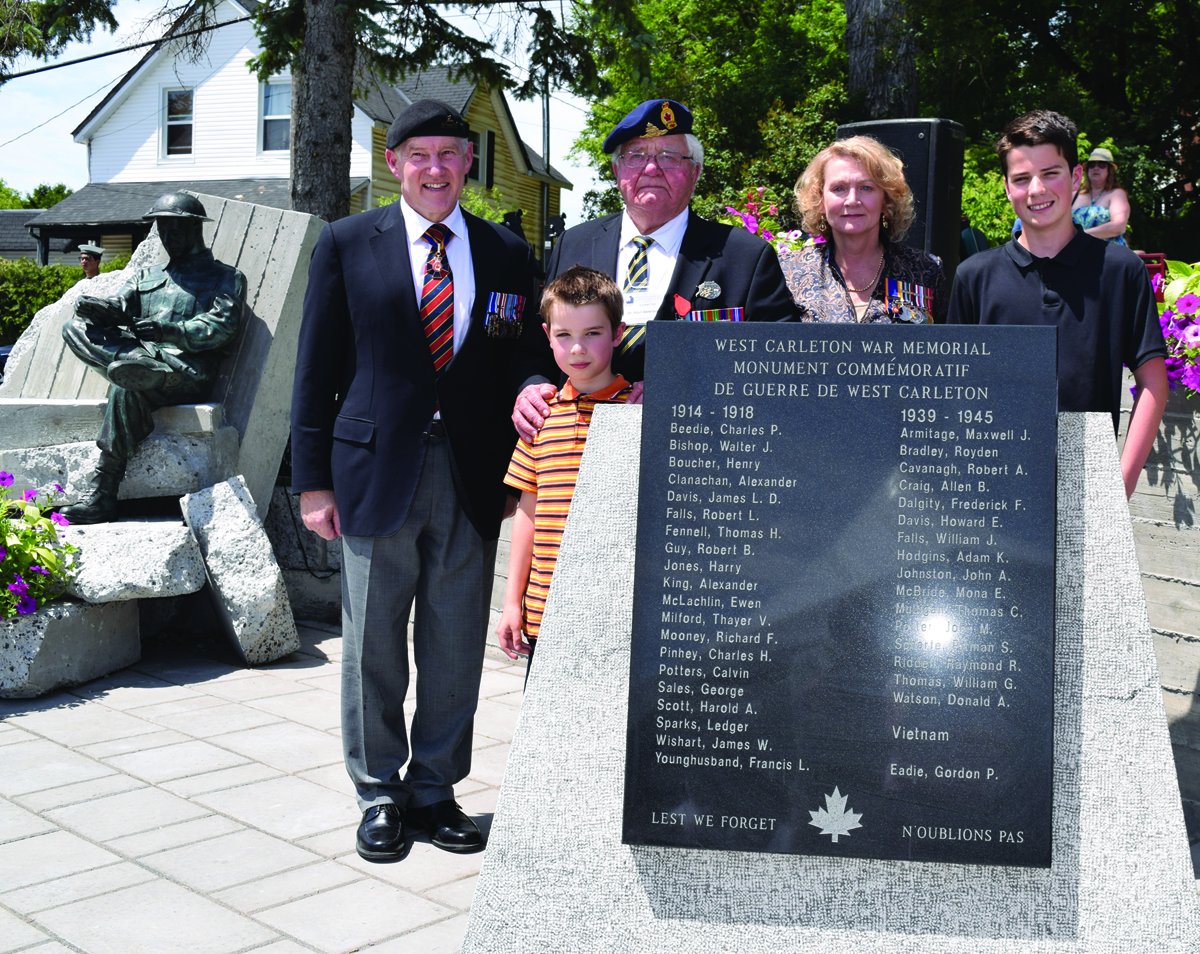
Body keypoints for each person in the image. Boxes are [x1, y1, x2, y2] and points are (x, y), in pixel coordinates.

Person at [290, 100, 538, 864]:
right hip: (371, 472)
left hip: (470, 473)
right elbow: (317, 364)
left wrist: (532, 388)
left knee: (455, 639)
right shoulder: (345, 243)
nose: (436, 169)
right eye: (419, 154)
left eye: (451, 154)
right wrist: (312, 482)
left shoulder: (503, 250)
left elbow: (520, 351)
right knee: (371, 643)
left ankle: (435, 788)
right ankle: (378, 793)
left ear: (470, 164)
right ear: (393, 163)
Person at [511, 98, 795, 440]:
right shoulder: (574, 245)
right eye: (636, 156)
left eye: (669, 157)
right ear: (617, 172)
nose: (651, 169)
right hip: (577, 448)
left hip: (695, 453)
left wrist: (686, 394)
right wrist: (533, 385)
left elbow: (778, 367)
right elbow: (534, 344)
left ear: (695, 171)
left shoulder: (744, 258)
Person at [947, 110, 1167, 499]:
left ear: (1076, 176)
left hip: (1091, 477)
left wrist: (1120, 484)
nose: (1036, 189)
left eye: (1051, 173)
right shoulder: (973, 276)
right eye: (1021, 178)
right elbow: (956, 390)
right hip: (992, 476)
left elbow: (1152, 383)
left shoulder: (1121, 271)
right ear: (1006, 187)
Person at [60, 193, 245, 524]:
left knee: (126, 388)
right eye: (163, 231)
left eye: (175, 230)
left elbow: (222, 327)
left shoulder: (225, 278)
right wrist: (100, 310)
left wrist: (168, 330)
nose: (168, 238)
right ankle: (141, 368)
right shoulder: (144, 277)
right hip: (140, 359)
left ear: (193, 230)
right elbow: (120, 306)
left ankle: (103, 494)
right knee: (75, 328)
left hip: (186, 373)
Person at [497, 266, 632, 669]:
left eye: (592, 333)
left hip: (617, 614)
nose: (577, 349)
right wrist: (510, 603)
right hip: (545, 610)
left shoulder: (637, 411)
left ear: (618, 333)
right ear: (547, 338)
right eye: (564, 335)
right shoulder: (539, 416)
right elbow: (527, 515)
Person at [780, 136, 945, 324]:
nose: (852, 200)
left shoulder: (924, 270)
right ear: (820, 200)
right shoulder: (790, 272)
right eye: (839, 188)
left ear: (886, 199)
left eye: (866, 188)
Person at [1072, 146, 1130, 245]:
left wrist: (1081, 235)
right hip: (1076, 252)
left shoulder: (1117, 194)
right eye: (1092, 165)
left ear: (1109, 170)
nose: (1096, 168)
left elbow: (1118, 226)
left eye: (1102, 165)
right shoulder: (1074, 194)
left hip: (1108, 253)